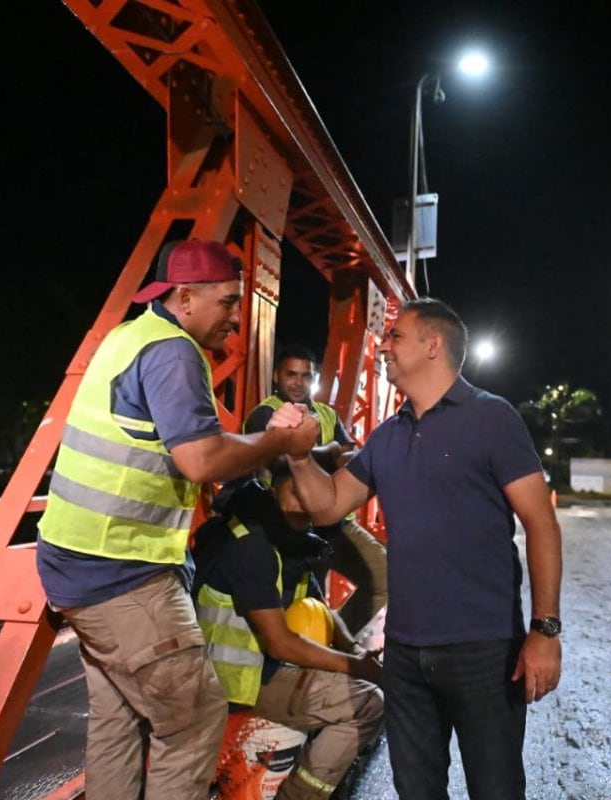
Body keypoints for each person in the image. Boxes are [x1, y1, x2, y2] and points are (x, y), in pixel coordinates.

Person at [35, 238, 319, 799]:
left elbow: (195, 445)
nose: (237, 320)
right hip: (122, 572)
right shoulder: (174, 351)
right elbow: (202, 458)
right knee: (192, 719)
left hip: (73, 564)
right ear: (186, 297)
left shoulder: (129, 336)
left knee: (118, 722)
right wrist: (280, 442)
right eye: (229, 303)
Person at [275, 297, 563, 800]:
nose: (383, 346)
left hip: (483, 649)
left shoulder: (492, 418)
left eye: (395, 337)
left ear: (434, 345)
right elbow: (328, 507)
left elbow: (541, 524)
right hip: (406, 654)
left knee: (496, 790)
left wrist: (544, 630)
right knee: (417, 791)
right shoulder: (388, 436)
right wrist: (299, 458)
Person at [193, 460, 384, 800]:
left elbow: (319, 606)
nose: (302, 495)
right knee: (367, 702)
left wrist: (355, 652)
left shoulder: (287, 538)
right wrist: (358, 668)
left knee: (365, 684)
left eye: (311, 488)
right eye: (293, 486)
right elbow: (280, 644)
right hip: (235, 682)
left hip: (260, 672)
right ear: (272, 484)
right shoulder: (252, 545)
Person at [245, 344, 388, 631]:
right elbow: (283, 464)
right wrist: (331, 450)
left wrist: (315, 454)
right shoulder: (266, 414)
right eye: (291, 375)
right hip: (287, 527)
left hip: (332, 521)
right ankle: (301, 655)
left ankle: (337, 641)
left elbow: (352, 457)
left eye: (306, 376)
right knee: (297, 600)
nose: (298, 383)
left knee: (384, 576)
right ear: (277, 377)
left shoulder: (326, 414)